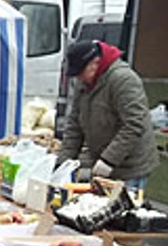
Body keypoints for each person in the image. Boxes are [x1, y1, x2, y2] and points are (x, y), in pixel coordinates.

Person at [59, 41, 159, 188]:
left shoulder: (123, 80)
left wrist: (109, 160)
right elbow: (74, 125)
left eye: (81, 72)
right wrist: (63, 162)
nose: (79, 78)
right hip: (101, 160)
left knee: (123, 208)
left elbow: (135, 124)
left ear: (95, 62)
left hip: (130, 167)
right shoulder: (84, 84)